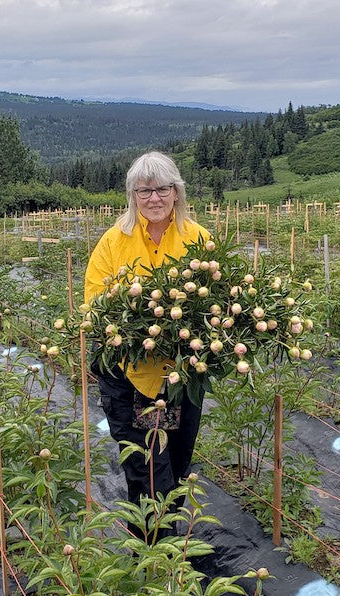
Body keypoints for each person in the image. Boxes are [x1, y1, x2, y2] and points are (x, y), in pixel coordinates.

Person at [84, 151, 209, 541]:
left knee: (176, 461)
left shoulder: (198, 238)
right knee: (146, 469)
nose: (153, 198)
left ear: (176, 193)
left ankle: (166, 549)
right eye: (144, 191)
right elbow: (94, 303)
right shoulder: (113, 241)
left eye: (162, 189)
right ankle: (154, 552)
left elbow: (211, 298)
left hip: (180, 377)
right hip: (128, 374)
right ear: (132, 195)